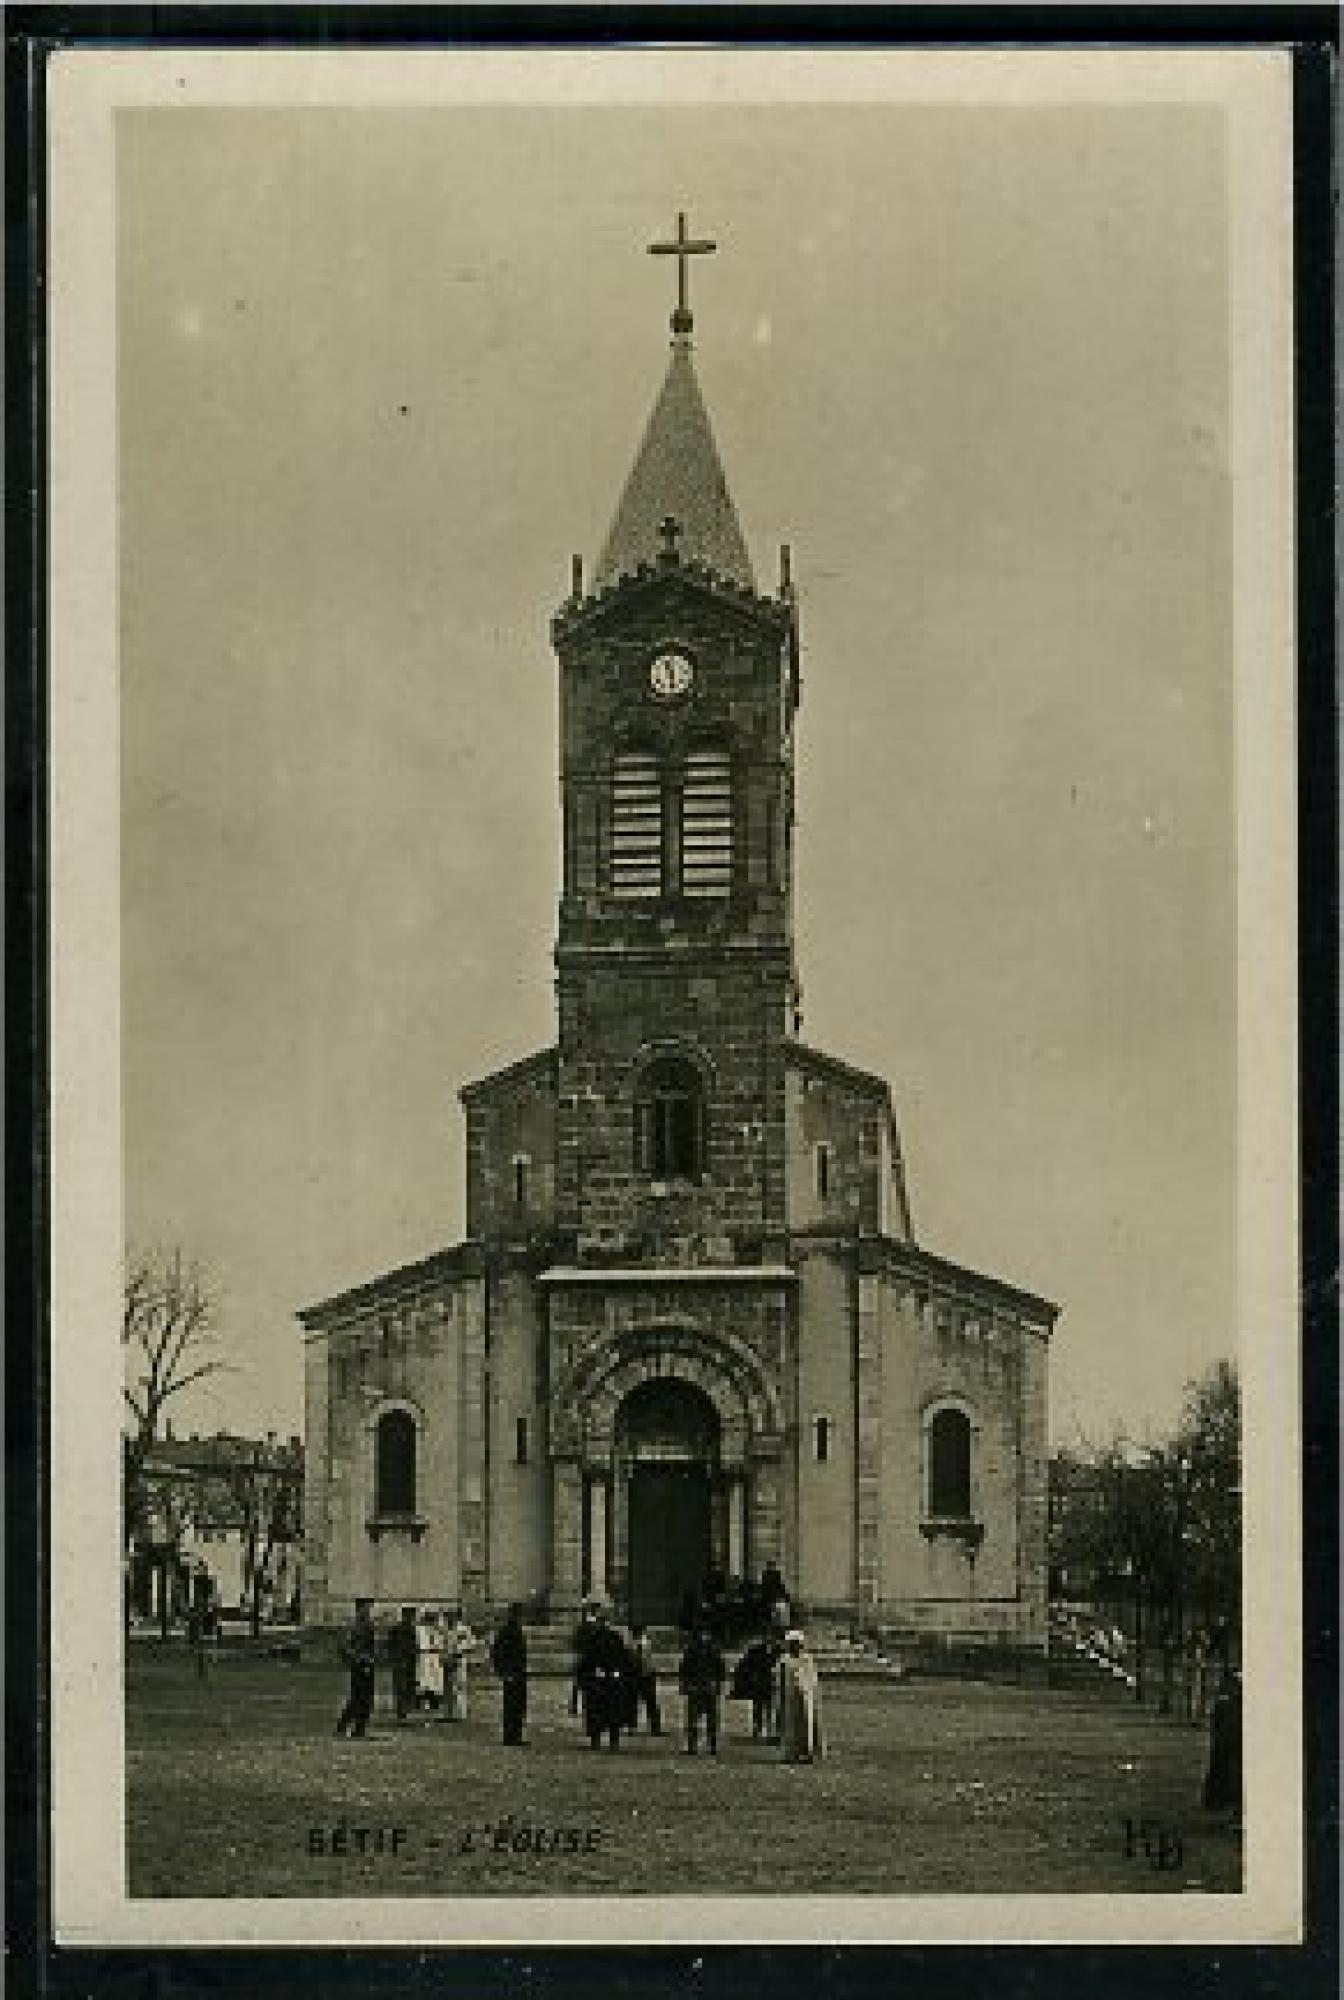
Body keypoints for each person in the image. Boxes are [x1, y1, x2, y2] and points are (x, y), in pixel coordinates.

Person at [579, 1603, 630, 1750]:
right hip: (597, 1680)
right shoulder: (594, 1639)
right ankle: (596, 1739)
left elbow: (622, 1658)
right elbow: (587, 1660)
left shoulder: (613, 1638)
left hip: (610, 1680)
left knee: (612, 1711)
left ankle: (613, 1739)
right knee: (597, 1711)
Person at [777, 1628, 825, 1764]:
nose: (796, 1646)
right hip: (790, 1696)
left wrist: (812, 1694)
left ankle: (808, 1752)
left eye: (797, 1643)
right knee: (791, 1725)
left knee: (807, 1724)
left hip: (806, 1695)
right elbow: (780, 1680)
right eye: (793, 1644)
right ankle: (792, 1753)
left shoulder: (807, 1659)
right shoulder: (784, 1661)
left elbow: (812, 1679)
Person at [678, 1623, 725, 1756]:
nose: (704, 1636)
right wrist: (685, 1685)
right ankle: (694, 1745)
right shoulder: (693, 1650)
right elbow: (684, 1669)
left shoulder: (711, 1650)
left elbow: (720, 1669)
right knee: (694, 1719)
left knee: (710, 1719)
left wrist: (717, 1685)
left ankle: (712, 1745)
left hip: (706, 1687)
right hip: (697, 1686)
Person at [334, 1599, 377, 1739]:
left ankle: (356, 1728)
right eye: (366, 1607)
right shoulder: (356, 1627)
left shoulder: (366, 1625)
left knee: (363, 1699)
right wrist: (358, 1659)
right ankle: (350, 1727)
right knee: (359, 1698)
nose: (368, 1610)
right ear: (359, 1609)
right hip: (360, 1666)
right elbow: (345, 1647)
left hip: (366, 1665)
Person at [491, 1602, 528, 1746]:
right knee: (511, 1706)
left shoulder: (516, 1630)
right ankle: (510, 1736)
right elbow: (497, 1652)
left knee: (518, 1706)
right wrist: (503, 1671)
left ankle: (516, 1735)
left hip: (519, 1674)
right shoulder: (507, 1631)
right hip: (512, 1674)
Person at [731, 1634, 780, 1740]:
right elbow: (745, 1666)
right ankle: (759, 1729)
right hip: (759, 1683)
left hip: (768, 1683)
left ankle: (767, 1729)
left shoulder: (777, 1652)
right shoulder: (756, 1651)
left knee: (768, 1707)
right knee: (759, 1706)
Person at [628, 1622, 661, 1735]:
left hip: (639, 1674)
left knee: (635, 1702)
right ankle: (655, 1727)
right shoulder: (644, 1643)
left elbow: (640, 1660)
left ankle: (632, 1727)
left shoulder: (635, 1644)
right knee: (650, 1702)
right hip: (645, 1674)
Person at [388, 1605, 419, 1722]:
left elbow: (413, 1646)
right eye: (409, 1616)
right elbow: (390, 1646)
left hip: (409, 1662)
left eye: (412, 1616)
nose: (411, 1618)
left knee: (409, 1687)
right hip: (400, 1662)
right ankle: (401, 1712)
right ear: (404, 1616)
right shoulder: (397, 1630)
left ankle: (405, 1711)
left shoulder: (412, 1629)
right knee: (400, 1687)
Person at [570, 1598, 597, 1717]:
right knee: (581, 1684)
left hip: (585, 1657)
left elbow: (575, 1642)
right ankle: (578, 1705)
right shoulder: (589, 1627)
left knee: (580, 1685)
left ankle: (577, 1706)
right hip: (586, 1657)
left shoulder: (585, 1627)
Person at [416, 1608, 445, 1713]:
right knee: (424, 1680)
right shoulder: (421, 1630)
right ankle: (423, 1702)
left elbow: (440, 1643)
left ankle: (435, 1703)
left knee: (435, 1681)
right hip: (424, 1655)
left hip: (435, 1656)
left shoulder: (437, 1630)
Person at [446, 1616, 476, 1722]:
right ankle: (449, 1713)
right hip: (447, 1660)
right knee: (448, 1687)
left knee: (460, 1686)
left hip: (460, 1659)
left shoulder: (464, 1629)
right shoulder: (444, 1628)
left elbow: (472, 1643)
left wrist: (462, 1648)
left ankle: (460, 1713)